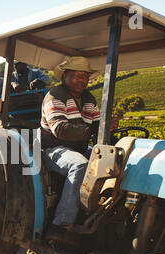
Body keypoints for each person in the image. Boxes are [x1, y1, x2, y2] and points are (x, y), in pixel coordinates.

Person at [41, 56, 102, 242]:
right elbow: (60, 129)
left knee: (115, 160)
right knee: (80, 166)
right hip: (54, 149)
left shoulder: (88, 98)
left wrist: (108, 125)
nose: (82, 80)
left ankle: (98, 212)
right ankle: (61, 224)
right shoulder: (55, 96)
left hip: (80, 148)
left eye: (84, 76)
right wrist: (91, 130)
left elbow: (97, 125)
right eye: (76, 76)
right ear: (65, 76)